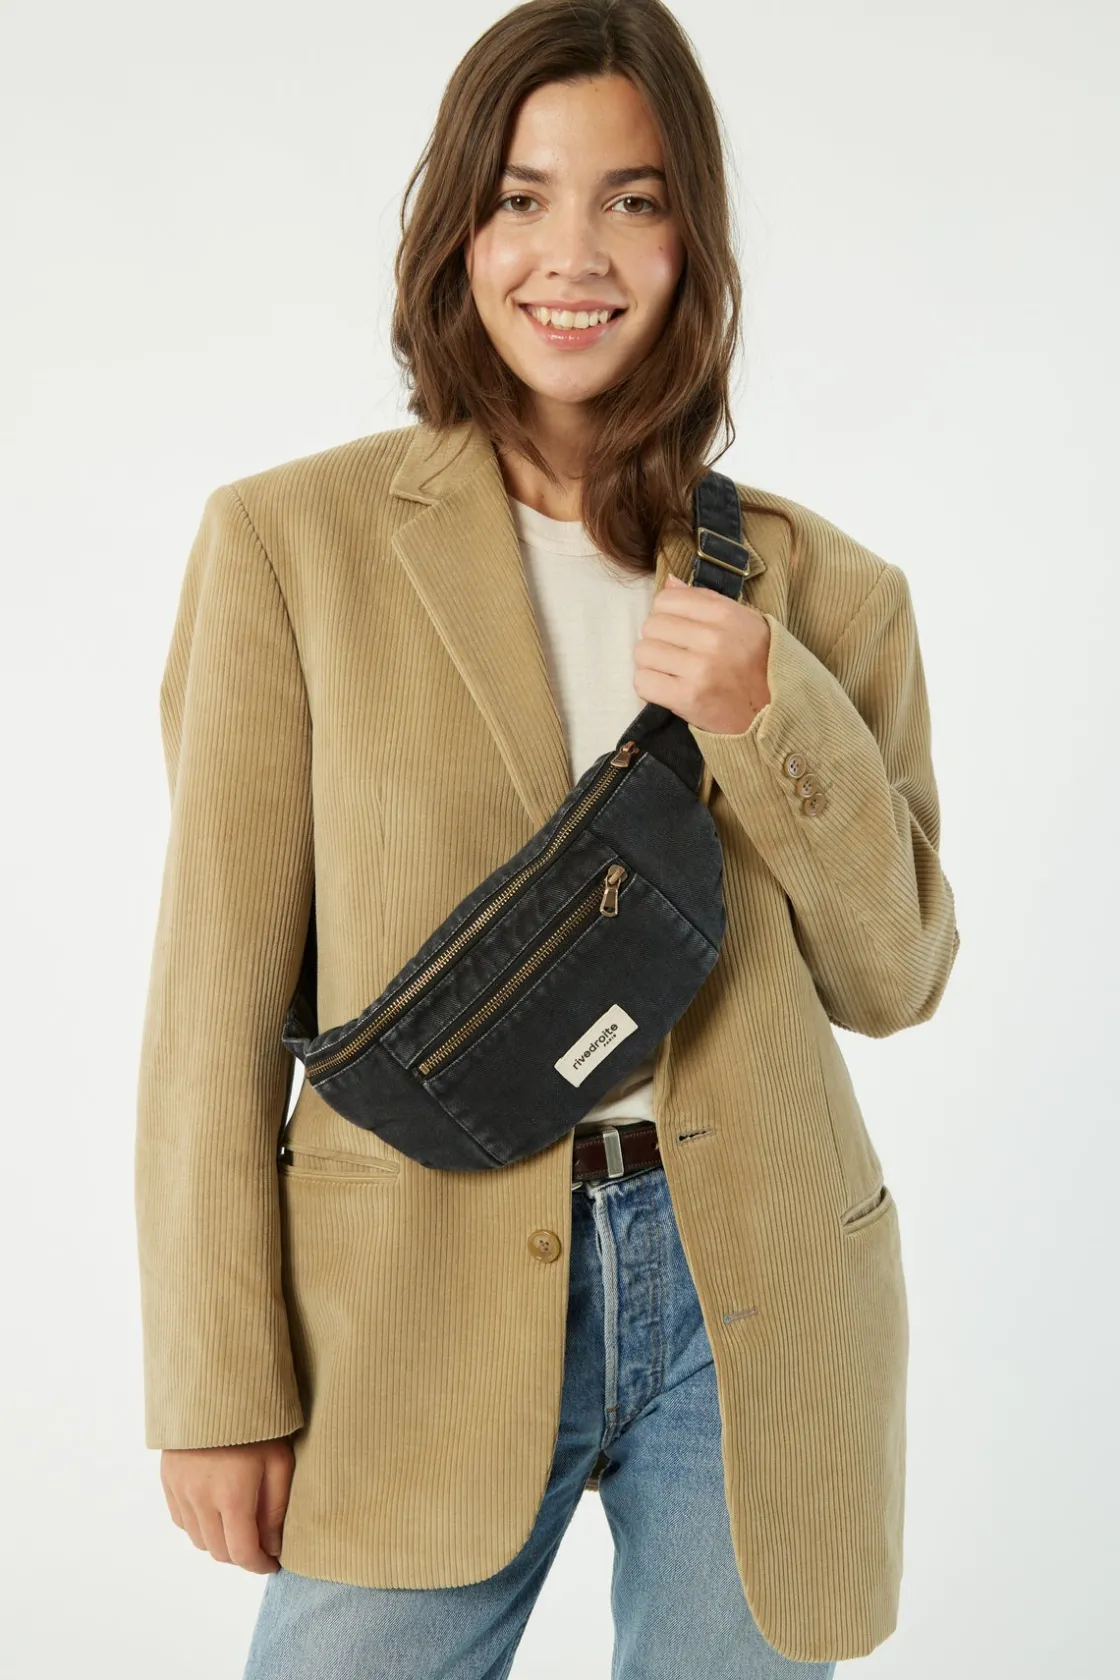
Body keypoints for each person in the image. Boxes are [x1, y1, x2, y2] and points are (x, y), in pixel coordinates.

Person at [135, 2, 960, 1676]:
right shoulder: (292, 548)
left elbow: (898, 977)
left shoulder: (827, 590)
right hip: (406, 1296)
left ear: (691, 240)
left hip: (752, 1291)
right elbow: (214, 999)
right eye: (522, 197)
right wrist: (214, 1381)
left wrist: (772, 711)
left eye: (632, 200)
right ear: (459, 229)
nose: (573, 254)